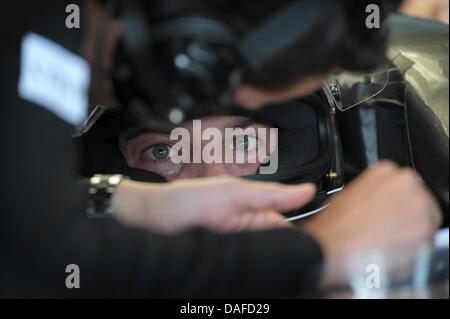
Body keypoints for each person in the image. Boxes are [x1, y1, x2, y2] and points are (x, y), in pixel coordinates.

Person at [0, 0, 442, 298]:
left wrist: (121, 202)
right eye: (164, 151)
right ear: (194, 54)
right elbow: (33, 260)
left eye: (244, 141)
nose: (215, 180)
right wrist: (319, 255)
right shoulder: (33, 24)